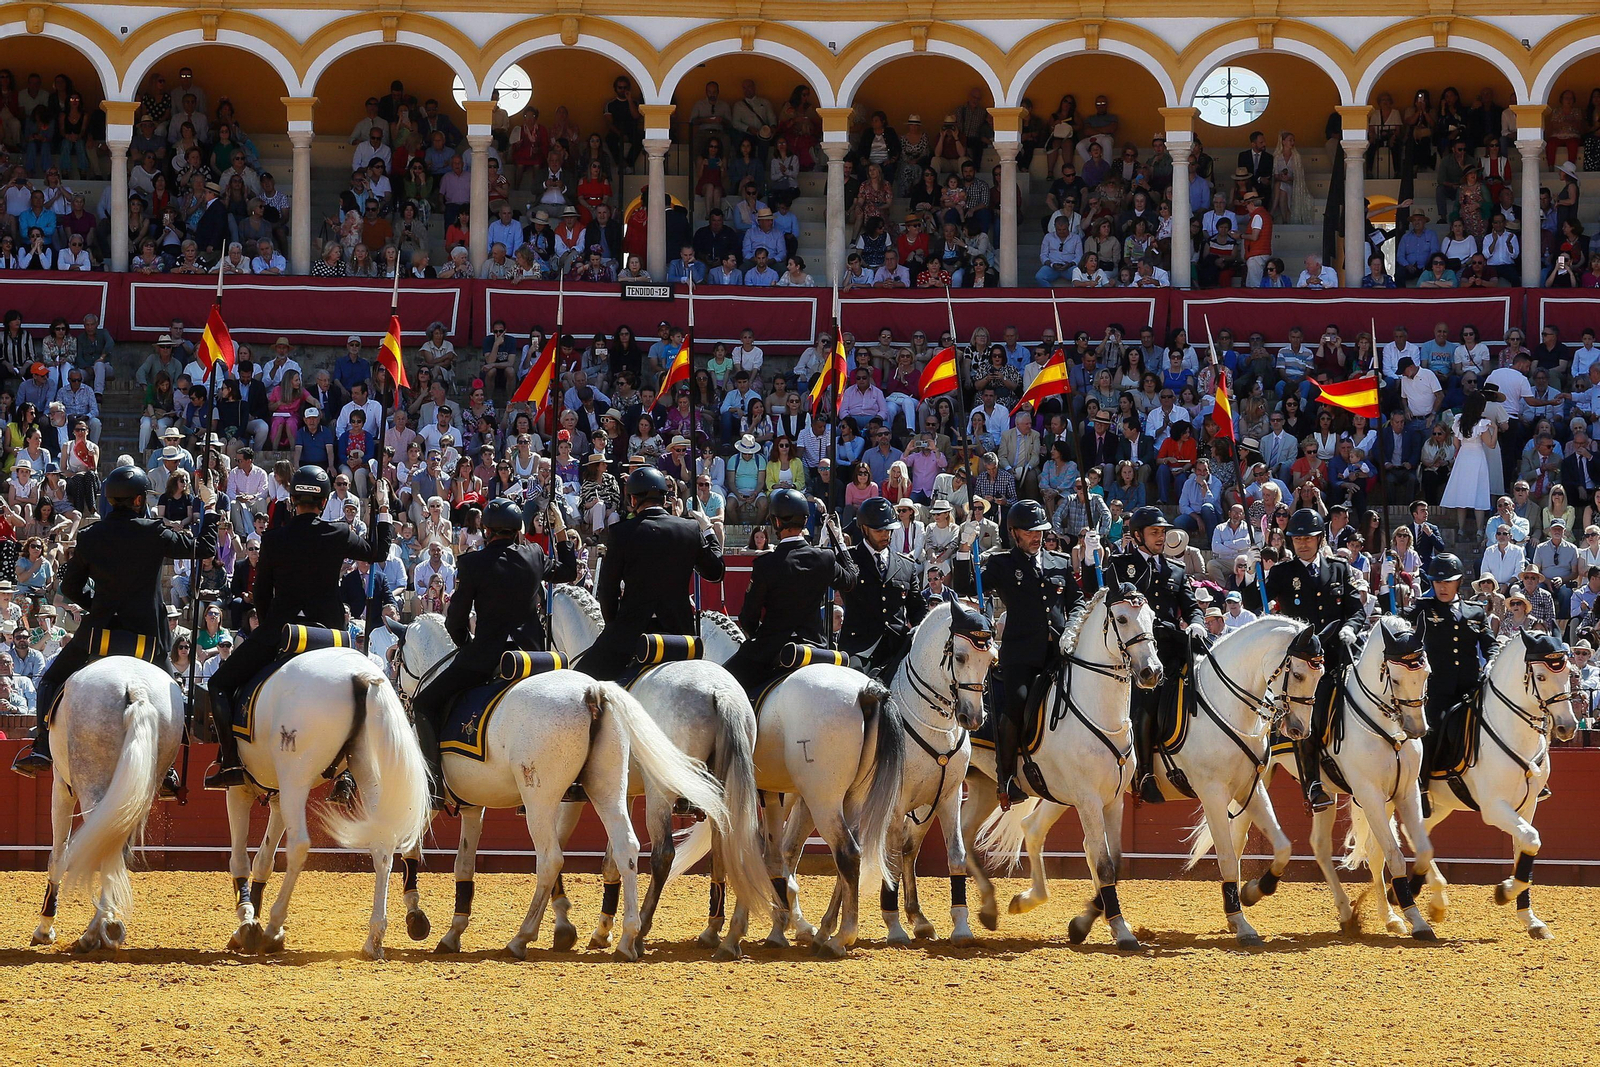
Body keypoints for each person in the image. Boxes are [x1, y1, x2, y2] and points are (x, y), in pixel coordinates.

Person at [12, 467, 217, 794]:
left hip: (99, 634)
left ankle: (41, 747)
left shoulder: (92, 535)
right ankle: (167, 769)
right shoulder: (155, 531)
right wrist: (212, 506)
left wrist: (96, 604)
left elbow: (71, 586)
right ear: (138, 500)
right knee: (173, 694)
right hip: (147, 642)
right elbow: (203, 548)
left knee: (51, 679)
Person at [203, 466, 392, 789]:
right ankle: (347, 771)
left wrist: (269, 627)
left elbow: (261, 592)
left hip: (282, 631)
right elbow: (378, 551)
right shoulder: (339, 533)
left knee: (219, 684)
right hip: (331, 636)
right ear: (323, 502)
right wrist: (383, 508)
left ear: (292, 501)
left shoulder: (274, 539)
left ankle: (232, 762)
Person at [410, 498, 578, 806]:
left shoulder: (473, 563)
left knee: (422, 703)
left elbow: (456, 618)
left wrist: (464, 643)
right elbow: (568, 570)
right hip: (534, 659)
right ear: (517, 531)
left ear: (486, 530)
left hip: (488, 659)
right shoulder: (535, 554)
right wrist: (560, 529)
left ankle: (432, 788)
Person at [955, 499, 1083, 809]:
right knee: (1015, 707)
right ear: (1014, 532)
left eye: (1040, 531)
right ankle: (1008, 777)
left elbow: (1078, 600)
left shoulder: (1059, 562)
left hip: (1059, 653)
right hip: (1021, 655)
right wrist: (963, 550)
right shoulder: (1002, 564)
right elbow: (965, 586)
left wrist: (1073, 627)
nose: (1037, 536)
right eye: (1029, 531)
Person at [578, 467, 725, 682]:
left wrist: (614, 627)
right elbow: (716, 572)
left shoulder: (622, 532)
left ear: (633, 499)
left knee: (583, 681)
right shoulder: (690, 528)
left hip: (632, 631)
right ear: (665, 498)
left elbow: (608, 590)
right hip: (680, 632)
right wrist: (707, 528)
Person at [1264, 508, 1364, 813]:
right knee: (1308, 713)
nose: (1302, 544)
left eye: (1308, 538)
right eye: (1297, 539)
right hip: (1302, 665)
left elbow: (1355, 611)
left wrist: (1349, 629)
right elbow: (1256, 602)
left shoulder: (1339, 569)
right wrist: (1254, 577)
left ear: (1320, 539)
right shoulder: (1282, 573)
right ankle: (1312, 784)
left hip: (1336, 655)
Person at [722, 487, 855, 704]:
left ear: (775, 523)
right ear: (805, 520)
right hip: (816, 648)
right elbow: (850, 580)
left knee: (723, 688)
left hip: (772, 650)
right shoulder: (825, 558)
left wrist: (760, 635)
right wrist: (838, 542)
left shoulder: (765, 565)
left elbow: (748, 617)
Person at [1402, 553, 1497, 783]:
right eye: (1437, 582)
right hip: (1438, 690)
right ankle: (1421, 786)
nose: (1442, 587)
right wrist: (1389, 592)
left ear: (1459, 582)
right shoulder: (1424, 608)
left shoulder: (1475, 611)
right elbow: (1400, 623)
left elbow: (1489, 644)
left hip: (1471, 688)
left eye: (1447, 582)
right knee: (1431, 733)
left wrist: (1493, 659)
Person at [838, 497, 927, 683]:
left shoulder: (906, 565)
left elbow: (917, 609)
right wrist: (826, 551)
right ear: (863, 529)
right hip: (860, 648)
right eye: (878, 530)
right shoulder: (848, 560)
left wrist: (919, 634)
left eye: (888, 530)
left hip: (898, 648)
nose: (885, 535)